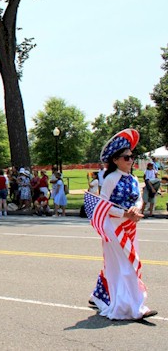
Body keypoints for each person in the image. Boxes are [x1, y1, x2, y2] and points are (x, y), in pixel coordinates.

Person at [88, 128, 156, 320]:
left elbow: (138, 199)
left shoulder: (133, 178)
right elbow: (103, 204)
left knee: (119, 265)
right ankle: (136, 307)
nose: (130, 160)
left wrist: (136, 209)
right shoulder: (111, 178)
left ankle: (100, 295)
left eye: (132, 157)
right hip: (113, 227)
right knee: (127, 265)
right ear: (116, 160)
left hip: (131, 227)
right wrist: (124, 213)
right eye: (126, 157)